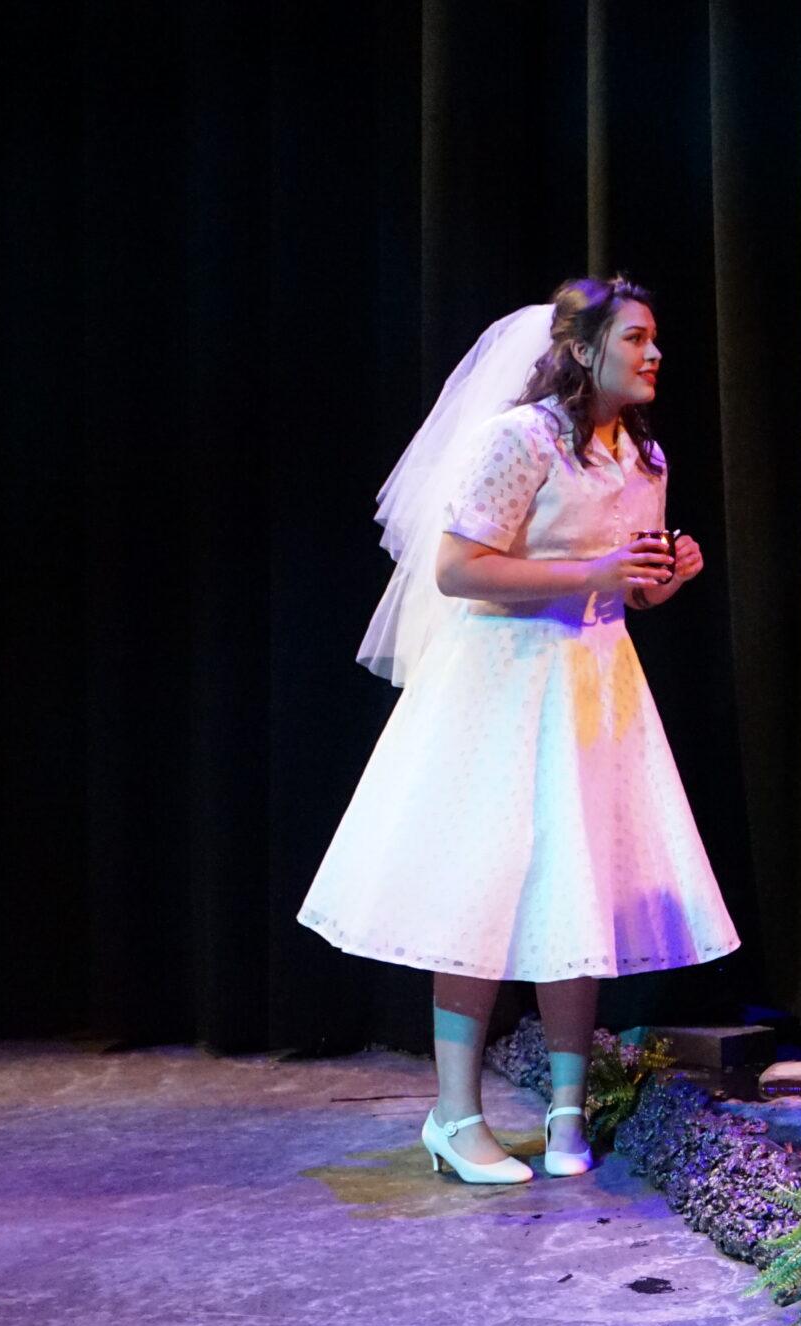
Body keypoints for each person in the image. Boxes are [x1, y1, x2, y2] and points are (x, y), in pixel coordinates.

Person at [300, 276, 740, 1184]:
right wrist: (593, 572)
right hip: (502, 683)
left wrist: (664, 579)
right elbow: (459, 568)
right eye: (636, 338)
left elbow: (627, 586)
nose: (654, 353)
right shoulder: (521, 438)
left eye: (655, 338)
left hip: (596, 692)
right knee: (479, 896)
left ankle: (567, 1112)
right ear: (583, 350)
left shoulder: (645, 456)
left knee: (574, 895)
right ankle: (455, 1118)